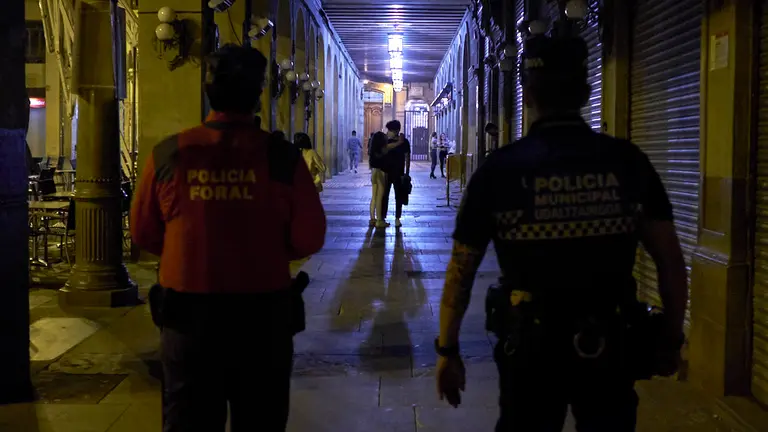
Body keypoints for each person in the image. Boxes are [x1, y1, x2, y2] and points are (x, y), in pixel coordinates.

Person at [435, 31, 688, 432]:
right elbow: (670, 261)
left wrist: (447, 350)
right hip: (610, 344)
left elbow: (461, 270)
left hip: (530, 348)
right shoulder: (627, 162)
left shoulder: (499, 170)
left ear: (527, 94)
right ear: (586, 92)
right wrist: (670, 338)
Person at [130, 44, 326, 432]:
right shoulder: (283, 157)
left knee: (188, 421)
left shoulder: (169, 153)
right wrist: (264, 248)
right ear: (258, 94)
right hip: (262, 319)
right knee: (260, 420)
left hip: (188, 318)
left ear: (208, 91)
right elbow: (309, 237)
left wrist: (190, 248)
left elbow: (144, 232)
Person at [381, 120, 411, 228]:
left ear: (397, 130)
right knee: (385, 196)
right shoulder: (386, 141)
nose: (388, 132)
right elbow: (382, 152)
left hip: (399, 173)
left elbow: (407, 157)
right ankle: (383, 217)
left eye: (390, 130)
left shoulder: (405, 142)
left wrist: (407, 173)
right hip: (386, 173)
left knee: (399, 197)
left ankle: (397, 218)